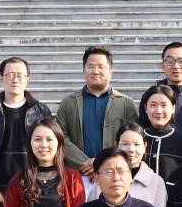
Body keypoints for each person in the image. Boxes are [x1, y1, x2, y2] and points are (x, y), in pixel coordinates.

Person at [56, 46, 139, 179]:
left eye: (101, 66)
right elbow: (60, 137)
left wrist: (103, 163)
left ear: (111, 71)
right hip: (79, 176)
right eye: (91, 66)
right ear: (83, 70)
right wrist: (87, 164)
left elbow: (132, 139)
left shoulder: (126, 103)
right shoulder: (69, 103)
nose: (96, 71)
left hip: (115, 176)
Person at [0, 56, 51, 189]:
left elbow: (50, 145)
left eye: (20, 75)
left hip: (33, 182)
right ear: (0, 79)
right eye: (9, 75)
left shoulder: (41, 111)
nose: (15, 80)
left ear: (28, 79)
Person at [105, 123, 169, 207]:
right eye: (125, 144)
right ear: (116, 145)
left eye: (137, 144)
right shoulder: (104, 177)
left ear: (145, 146)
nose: (131, 149)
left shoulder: (156, 182)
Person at [141, 84, 182, 179]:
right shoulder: (137, 138)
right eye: (153, 105)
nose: (158, 111)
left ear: (173, 108)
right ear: (146, 108)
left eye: (164, 105)